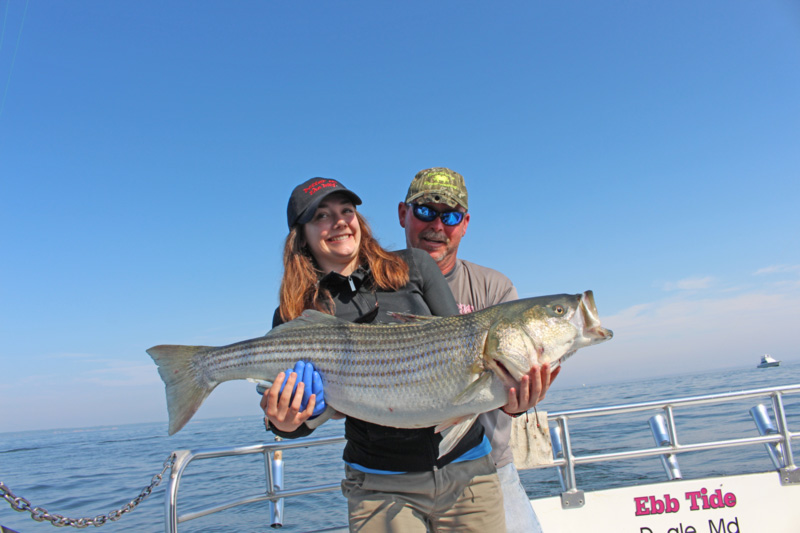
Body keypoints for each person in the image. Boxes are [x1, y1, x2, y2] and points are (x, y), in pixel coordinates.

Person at [260, 177, 506, 532]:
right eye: (322, 216)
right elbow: (292, 420)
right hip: (380, 487)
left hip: (468, 474)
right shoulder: (294, 314)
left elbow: (462, 344)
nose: (340, 222)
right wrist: (285, 423)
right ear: (301, 236)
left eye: (347, 211)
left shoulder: (416, 265)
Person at [398, 167, 559, 533]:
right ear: (403, 213)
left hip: (488, 469)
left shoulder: (494, 289)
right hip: (396, 479)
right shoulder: (377, 285)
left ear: (466, 224)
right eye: (425, 211)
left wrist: (517, 403)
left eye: (451, 216)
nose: (437, 226)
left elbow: (512, 378)